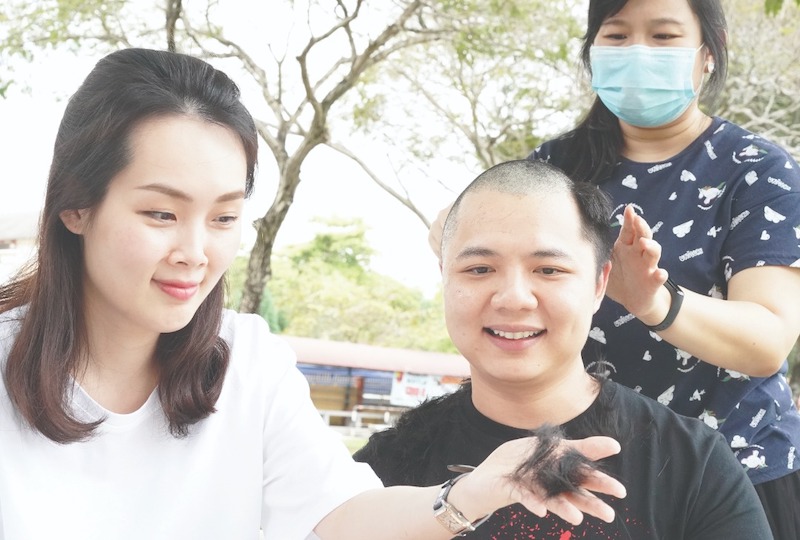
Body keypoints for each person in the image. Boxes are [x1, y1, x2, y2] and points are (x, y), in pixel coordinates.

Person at [0, 48, 629, 539]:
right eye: (161, 214)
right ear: (76, 207)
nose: (195, 252)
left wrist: (474, 492)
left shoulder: (245, 362)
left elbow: (343, 511)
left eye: (223, 218)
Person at [428, 0, 800, 537]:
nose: (638, 53)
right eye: (618, 35)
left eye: (664, 36)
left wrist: (654, 301)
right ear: (592, 52)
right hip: (574, 471)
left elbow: (767, 340)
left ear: (708, 54)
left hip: (739, 474)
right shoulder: (551, 170)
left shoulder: (757, 171)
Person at [358, 159, 773, 538]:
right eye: (479, 269)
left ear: (598, 285)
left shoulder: (692, 462)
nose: (514, 298)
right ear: (445, 277)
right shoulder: (379, 471)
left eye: (549, 270)